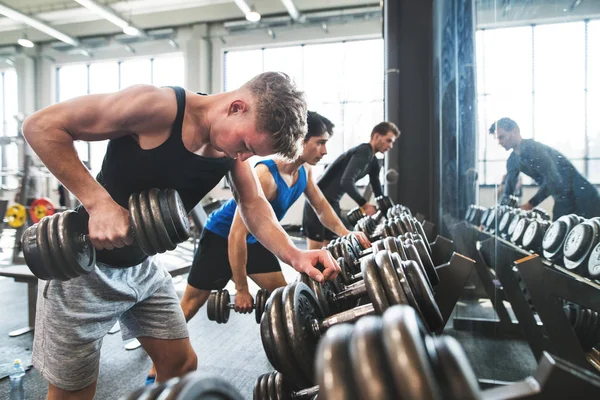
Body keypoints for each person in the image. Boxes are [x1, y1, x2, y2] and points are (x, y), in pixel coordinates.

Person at [21, 72, 339, 400]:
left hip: (142, 268)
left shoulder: (229, 152)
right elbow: (41, 126)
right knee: (73, 392)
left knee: (181, 364)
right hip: (82, 271)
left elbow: (254, 205)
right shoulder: (157, 108)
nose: (243, 157)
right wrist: (99, 203)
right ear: (236, 108)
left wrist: (295, 255)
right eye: (245, 145)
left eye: (252, 153)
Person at [144, 111, 371, 382]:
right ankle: (157, 366)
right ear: (300, 140)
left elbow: (322, 207)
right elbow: (236, 236)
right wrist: (241, 290)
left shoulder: (304, 172)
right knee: (192, 303)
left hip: (258, 239)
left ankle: (289, 352)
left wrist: (347, 233)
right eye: (319, 143)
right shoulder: (265, 174)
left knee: (286, 298)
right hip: (221, 237)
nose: (324, 150)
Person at [302, 121, 400, 249]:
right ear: (376, 136)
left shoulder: (374, 162)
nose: (390, 146)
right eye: (389, 140)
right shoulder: (364, 151)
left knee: (330, 250)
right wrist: (365, 205)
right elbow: (346, 181)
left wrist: (386, 213)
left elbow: (377, 190)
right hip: (317, 202)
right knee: (315, 252)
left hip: (332, 204)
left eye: (392, 142)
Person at [490, 117, 600, 220]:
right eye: (497, 139)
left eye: (501, 137)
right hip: (563, 198)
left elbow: (553, 179)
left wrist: (530, 204)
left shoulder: (535, 149)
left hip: (584, 197)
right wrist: (495, 218)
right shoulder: (512, 161)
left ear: (515, 131)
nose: (499, 142)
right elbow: (508, 193)